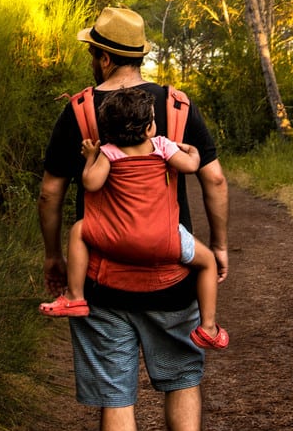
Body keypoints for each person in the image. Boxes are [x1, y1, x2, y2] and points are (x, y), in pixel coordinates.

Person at [39, 6, 230, 431]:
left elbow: (51, 190)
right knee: (182, 381)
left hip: (102, 284)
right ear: (138, 53)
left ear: (104, 58)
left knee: (116, 397)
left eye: (94, 51)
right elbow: (213, 180)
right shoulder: (177, 107)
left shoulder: (80, 111)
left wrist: (54, 256)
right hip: (172, 278)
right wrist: (217, 247)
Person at [39, 87, 228, 350]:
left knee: (79, 231)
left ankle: (75, 296)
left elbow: (90, 184)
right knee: (207, 262)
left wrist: (92, 157)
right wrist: (193, 152)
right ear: (150, 127)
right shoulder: (162, 146)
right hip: (166, 240)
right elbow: (192, 167)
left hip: (116, 242)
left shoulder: (108, 152)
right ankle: (208, 327)